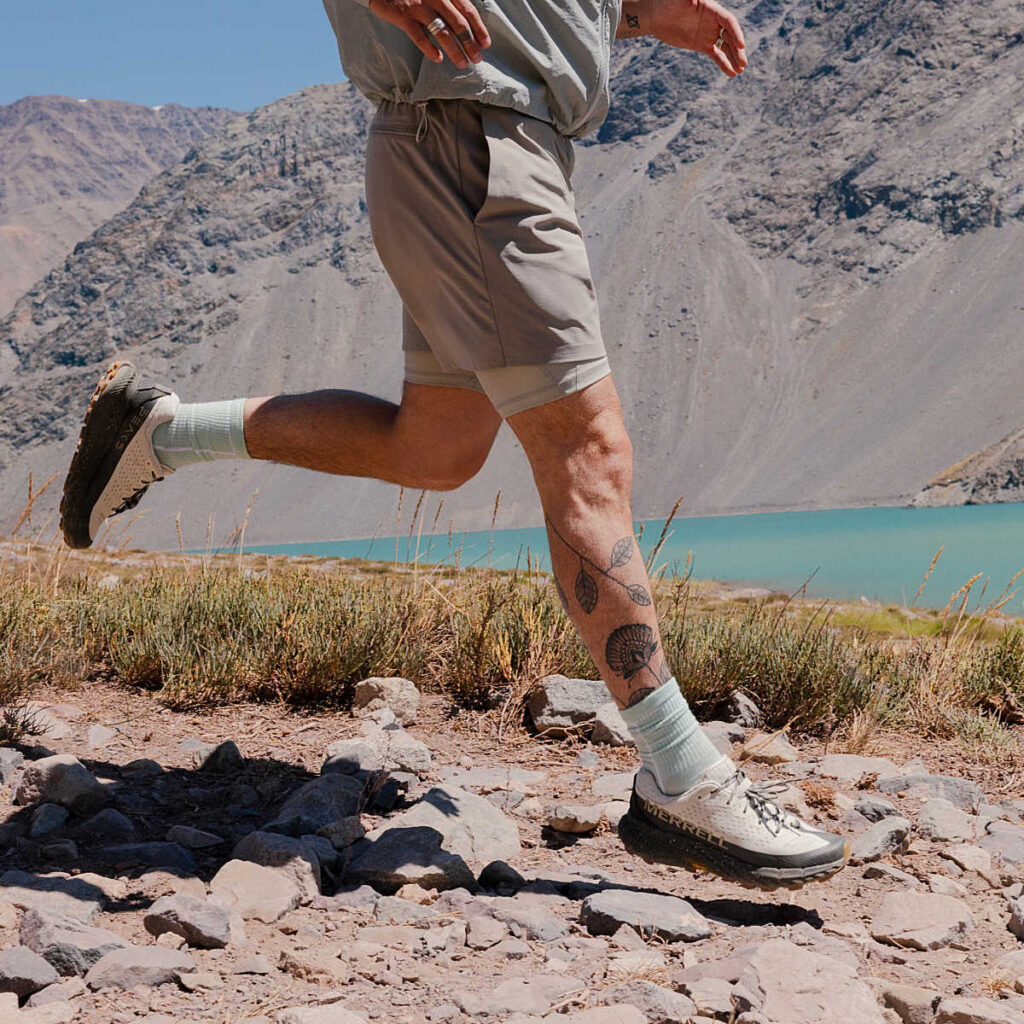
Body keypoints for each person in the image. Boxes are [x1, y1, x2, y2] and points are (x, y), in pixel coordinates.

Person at [59, 0, 849, 890]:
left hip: (493, 146)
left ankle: (163, 432)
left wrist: (632, 13)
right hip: (476, 144)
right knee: (588, 452)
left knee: (435, 448)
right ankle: (682, 772)